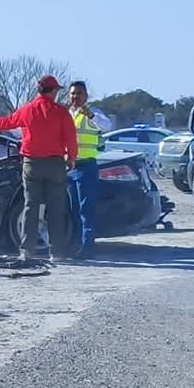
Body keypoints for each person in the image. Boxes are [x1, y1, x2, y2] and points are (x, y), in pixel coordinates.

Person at [0, 76, 77, 259]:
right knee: (56, 208)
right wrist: (71, 158)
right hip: (55, 164)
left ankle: (27, 251)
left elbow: (6, 123)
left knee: (30, 206)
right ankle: (57, 252)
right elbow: (71, 138)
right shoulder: (61, 112)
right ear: (52, 91)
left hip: (32, 164)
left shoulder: (27, 110)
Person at [67, 81, 113, 259]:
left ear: (85, 95)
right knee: (73, 208)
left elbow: (107, 126)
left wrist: (91, 115)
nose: (75, 97)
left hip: (86, 166)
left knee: (86, 209)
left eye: (78, 93)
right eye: (72, 93)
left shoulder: (92, 113)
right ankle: (77, 244)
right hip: (70, 166)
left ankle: (88, 246)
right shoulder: (68, 114)